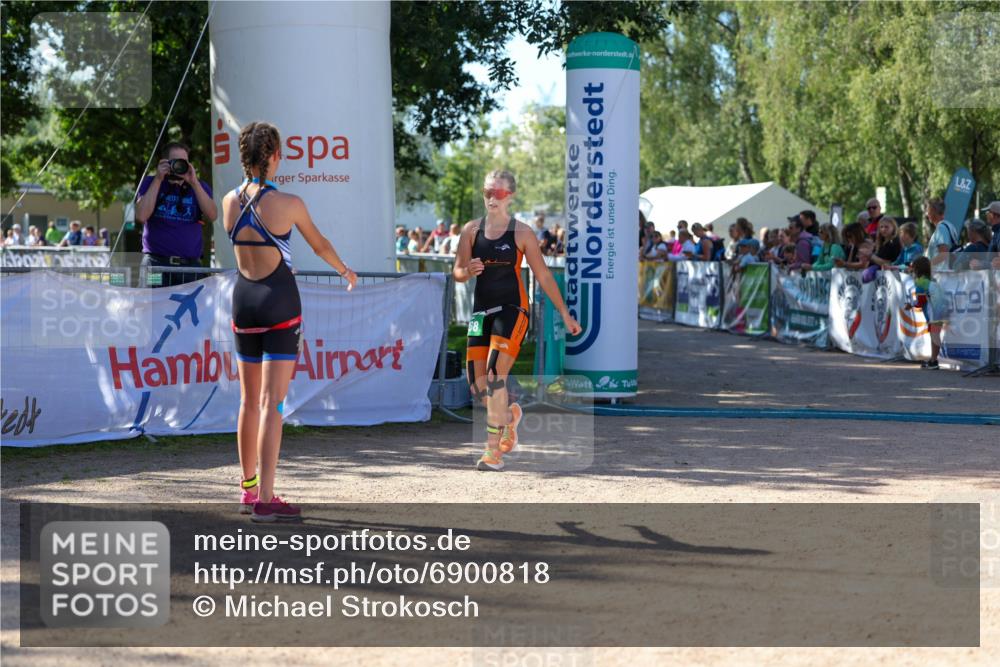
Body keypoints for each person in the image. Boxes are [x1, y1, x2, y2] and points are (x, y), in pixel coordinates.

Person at [222, 120, 357, 522]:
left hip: (243, 301)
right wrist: (345, 271)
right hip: (279, 302)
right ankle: (266, 496)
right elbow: (320, 245)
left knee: (248, 401)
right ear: (274, 156)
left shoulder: (230, 200)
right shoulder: (289, 203)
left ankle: (247, 490)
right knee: (272, 403)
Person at [452, 169, 581, 472]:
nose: (491, 198)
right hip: (481, 313)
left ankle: (492, 451)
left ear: (510, 195)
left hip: (513, 309)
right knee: (478, 387)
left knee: (497, 376)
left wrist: (564, 312)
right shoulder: (471, 230)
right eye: (487, 192)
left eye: (497, 193)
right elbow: (457, 272)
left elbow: (544, 275)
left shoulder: (522, 233)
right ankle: (510, 418)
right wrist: (467, 271)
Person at [135, 141, 217, 287]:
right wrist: (159, 179)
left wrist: (194, 183)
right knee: (152, 308)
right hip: (156, 265)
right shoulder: (150, 182)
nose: (180, 166)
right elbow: (141, 215)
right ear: (165, 163)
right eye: (176, 162)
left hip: (190, 267)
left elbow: (212, 215)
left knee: (191, 309)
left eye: (184, 162)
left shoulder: (199, 186)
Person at [906, 256, 948, 370]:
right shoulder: (931, 280)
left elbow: (921, 301)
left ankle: (934, 361)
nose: (912, 271)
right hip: (940, 312)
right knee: (935, 335)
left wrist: (911, 304)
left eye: (913, 269)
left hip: (933, 314)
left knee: (934, 336)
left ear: (917, 269)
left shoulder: (920, 282)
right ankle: (933, 359)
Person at [925, 197, 958, 269]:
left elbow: (943, 254)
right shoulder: (949, 225)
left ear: (934, 211)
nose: (927, 214)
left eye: (928, 210)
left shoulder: (941, 228)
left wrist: (926, 265)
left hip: (941, 275)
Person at [979, 201, 1000, 270]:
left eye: (988, 213)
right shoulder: (996, 233)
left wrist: (981, 264)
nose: (987, 216)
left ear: (995, 216)